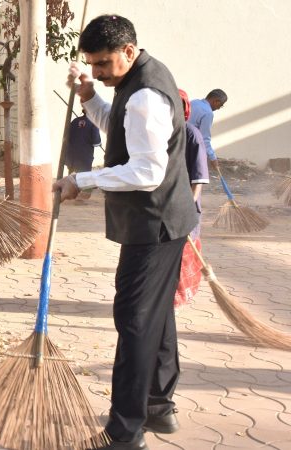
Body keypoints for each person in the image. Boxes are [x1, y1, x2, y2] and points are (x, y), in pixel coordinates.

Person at [54, 15, 198, 450]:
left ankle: (124, 431)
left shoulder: (145, 97)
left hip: (152, 224)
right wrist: (88, 96)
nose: (96, 70)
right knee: (156, 316)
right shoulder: (135, 83)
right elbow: (117, 131)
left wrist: (81, 181)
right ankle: (158, 406)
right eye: (91, 64)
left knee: (134, 322)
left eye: (101, 64)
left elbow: (146, 171)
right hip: (164, 221)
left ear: (129, 51)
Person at [175, 89, 209, 308]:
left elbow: (197, 179)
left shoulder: (191, 134)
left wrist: (186, 210)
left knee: (183, 256)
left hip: (185, 208)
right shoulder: (158, 133)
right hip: (163, 209)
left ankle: (177, 300)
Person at [66, 108, 102, 199]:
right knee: (85, 174)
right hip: (84, 155)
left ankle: (70, 193)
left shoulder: (74, 121)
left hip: (70, 155)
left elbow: (67, 137)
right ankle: (83, 197)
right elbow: (96, 142)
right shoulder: (94, 123)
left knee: (72, 173)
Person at [189, 89, 228, 170]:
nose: (219, 108)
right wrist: (213, 158)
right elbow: (204, 139)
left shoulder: (193, 102)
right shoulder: (208, 113)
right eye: (221, 105)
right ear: (216, 101)